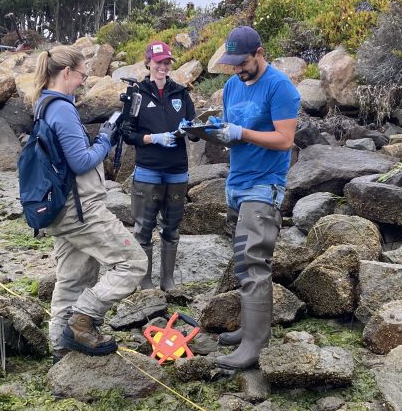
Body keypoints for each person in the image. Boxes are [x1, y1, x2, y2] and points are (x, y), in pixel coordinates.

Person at [31, 45, 148, 358]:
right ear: (66, 72)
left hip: (59, 210)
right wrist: (105, 138)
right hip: (80, 210)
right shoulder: (62, 109)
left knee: (73, 279)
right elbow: (81, 162)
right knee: (134, 263)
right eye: (82, 75)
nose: (83, 81)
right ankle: (82, 322)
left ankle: (60, 351)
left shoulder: (43, 104)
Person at [209, 26, 301, 370]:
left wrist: (242, 132)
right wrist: (220, 132)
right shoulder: (232, 86)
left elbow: (284, 139)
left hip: (265, 186)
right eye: (232, 63)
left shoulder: (280, 88)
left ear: (260, 52)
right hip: (236, 183)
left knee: (253, 263)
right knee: (240, 259)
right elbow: (236, 136)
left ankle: (255, 345)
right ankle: (249, 327)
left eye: (243, 62)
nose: (237, 68)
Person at [120, 40, 196, 290]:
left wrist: (197, 130)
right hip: (147, 171)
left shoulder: (181, 93)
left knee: (172, 228)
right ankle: (145, 282)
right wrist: (153, 138)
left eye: (167, 62)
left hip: (177, 172)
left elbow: (194, 130)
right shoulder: (137, 93)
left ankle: (168, 280)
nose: (162, 66)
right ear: (148, 62)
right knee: (143, 229)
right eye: (158, 61)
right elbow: (127, 133)